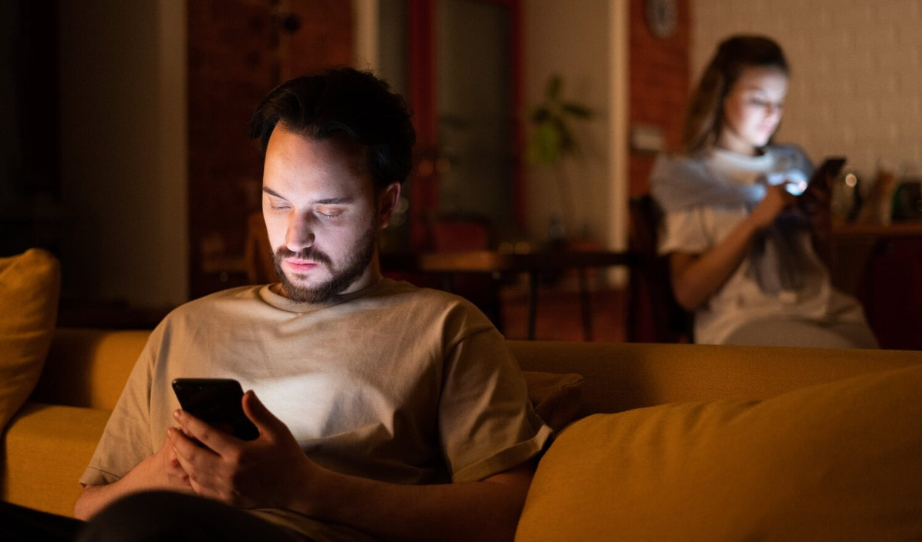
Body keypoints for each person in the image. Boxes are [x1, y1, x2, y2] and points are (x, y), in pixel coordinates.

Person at [4, 68, 551, 542]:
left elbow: (504, 515)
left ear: (386, 206)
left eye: (328, 210)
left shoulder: (445, 329)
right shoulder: (186, 326)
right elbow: (87, 509)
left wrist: (306, 490)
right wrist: (160, 473)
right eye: (278, 204)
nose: (295, 237)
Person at [649, 35, 878, 348]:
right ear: (721, 96)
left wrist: (821, 223)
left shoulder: (793, 163)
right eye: (758, 100)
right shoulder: (692, 177)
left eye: (779, 102)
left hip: (824, 310)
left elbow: (826, 273)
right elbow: (687, 293)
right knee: (849, 363)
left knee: (893, 366)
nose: (772, 113)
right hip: (747, 322)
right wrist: (757, 219)